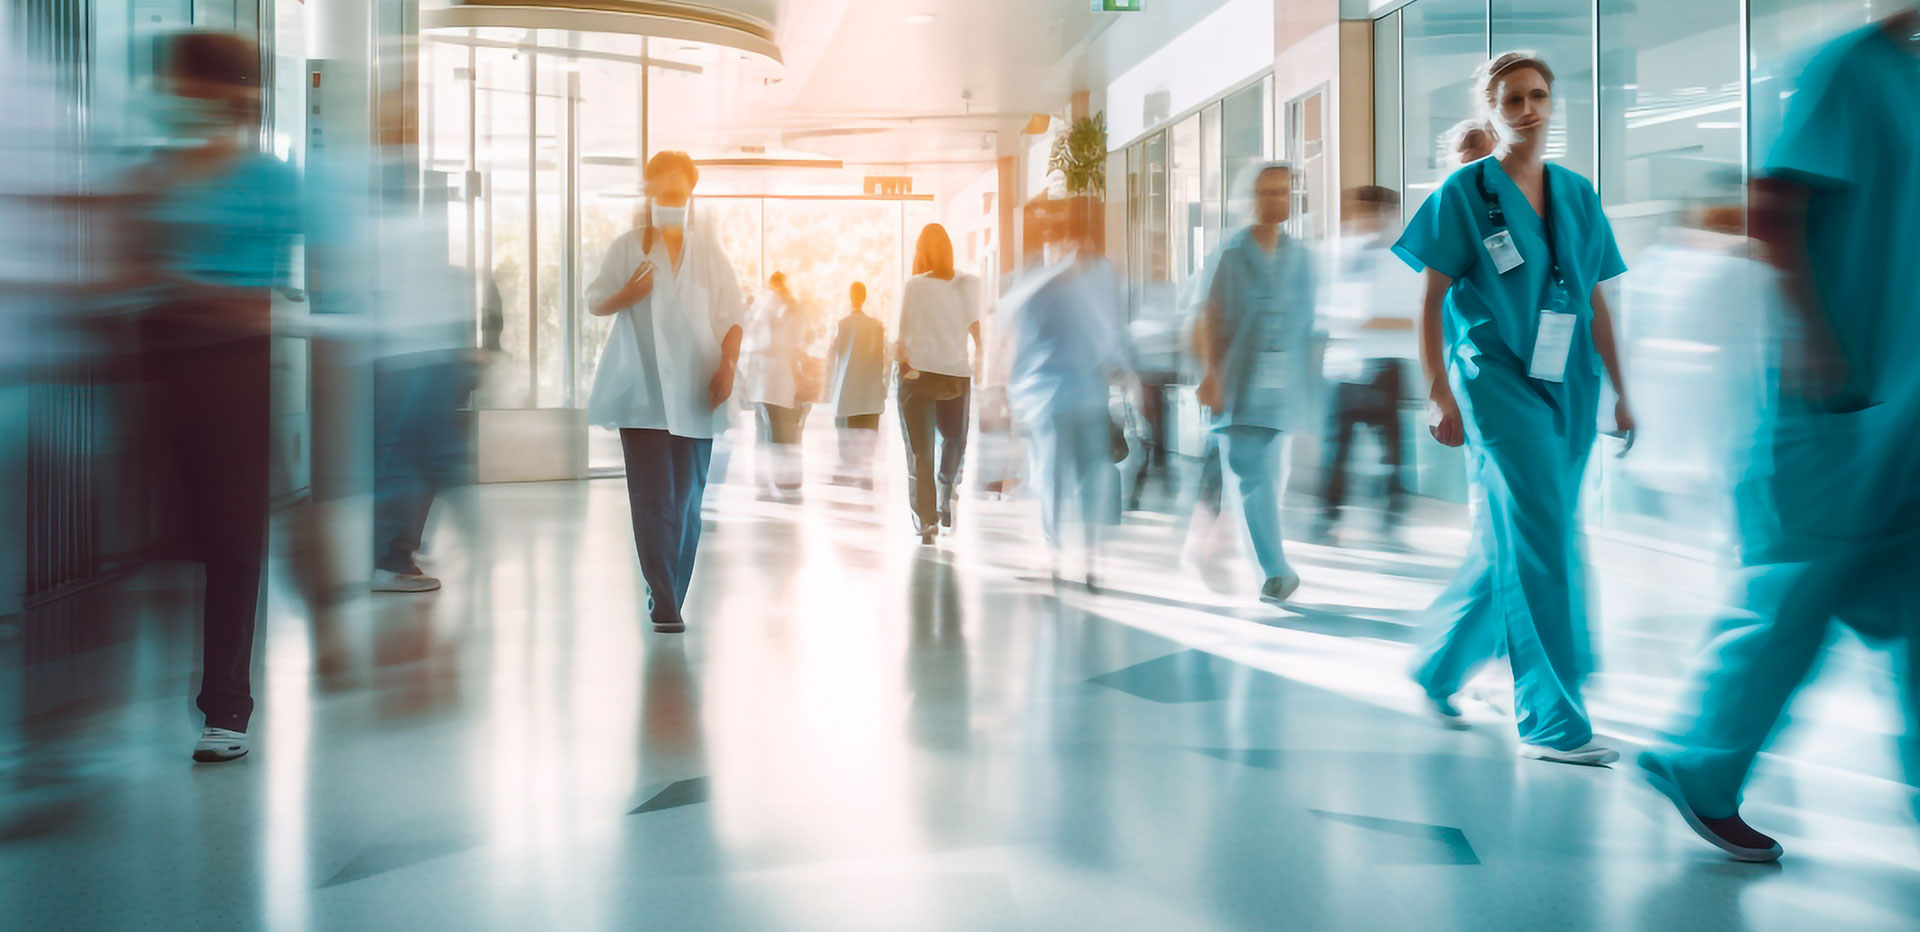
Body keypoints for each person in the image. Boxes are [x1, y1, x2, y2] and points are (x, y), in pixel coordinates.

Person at [1640, 10, 1920, 862]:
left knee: (1903, 605)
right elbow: (1774, 211)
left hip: (1897, 405)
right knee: (1790, 597)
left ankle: (1704, 764)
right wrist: (1819, 356)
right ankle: (1700, 762)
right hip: (1839, 400)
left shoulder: (1907, 78)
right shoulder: (1845, 66)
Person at [1395, 51, 1635, 766]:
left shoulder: (1579, 194)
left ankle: (1439, 665)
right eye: (1512, 99)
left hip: (1572, 383)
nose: (1528, 109)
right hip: (1495, 382)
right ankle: (1551, 719)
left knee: (1520, 535)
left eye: (1537, 96)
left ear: (1552, 103)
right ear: (1491, 108)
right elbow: (1431, 300)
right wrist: (1439, 392)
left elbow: (1596, 300)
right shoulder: (1464, 192)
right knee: (1542, 539)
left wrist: (1621, 387)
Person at [135, 31, 302, 762]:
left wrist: (192, 288)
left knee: (233, 543)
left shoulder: (267, 178)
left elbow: (263, 299)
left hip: (235, 368)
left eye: (192, 85)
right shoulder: (154, 175)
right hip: (161, 361)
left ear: (230, 94)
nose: (181, 100)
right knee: (170, 535)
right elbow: (129, 261)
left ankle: (226, 707)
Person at [586, 151, 746, 634]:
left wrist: (728, 366)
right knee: (653, 496)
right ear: (650, 193)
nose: (671, 201)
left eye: (679, 194)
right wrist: (625, 298)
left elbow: (732, 314)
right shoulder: (628, 247)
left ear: (690, 196)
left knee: (689, 500)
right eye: (663, 193)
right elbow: (595, 301)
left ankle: (670, 586)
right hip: (643, 389)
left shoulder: (708, 251)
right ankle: (664, 598)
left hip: (700, 389)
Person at [1193, 162, 1317, 606]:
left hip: (1280, 391)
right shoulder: (1232, 254)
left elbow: (1307, 327)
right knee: (1254, 478)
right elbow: (1208, 319)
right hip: (1237, 385)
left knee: (1262, 479)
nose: (1275, 200)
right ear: (1253, 198)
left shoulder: (1301, 256)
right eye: (1266, 192)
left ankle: (1213, 548)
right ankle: (1275, 570)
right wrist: (1210, 374)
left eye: (1283, 191)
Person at [1004, 197, 1131, 587]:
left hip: (1050, 399)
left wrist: (1009, 394)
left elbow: (1021, 344)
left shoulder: (1039, 282)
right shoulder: (1102, 274)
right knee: (1092, 477)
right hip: (1089, 396)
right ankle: (1091, 559)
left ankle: (1056, 556)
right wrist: (1124, 372)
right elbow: (1114, 332)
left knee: (1052, 480)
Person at [1316, 186, 1420, 540]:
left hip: (1387, 365)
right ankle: (1328, 514)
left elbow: (1414, 316)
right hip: (1345, 366)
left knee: (1390, 448)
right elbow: (1322, 309)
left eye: (1372, 211)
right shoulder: (1340, 254)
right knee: (1336, 447)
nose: (1366, 219)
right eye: (1361, 211)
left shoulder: (1405, 258)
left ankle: (1392, 513)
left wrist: (1361, 321)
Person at [895, 223, 983, 544]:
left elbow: (903, 335)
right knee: (955, 440)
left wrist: (901, 362)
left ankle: (927, 521)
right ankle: (947, 488)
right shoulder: (967, 284)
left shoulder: (914, 287)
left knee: (920, 451)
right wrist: (982, 362)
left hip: (916, 375)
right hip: (955, 374)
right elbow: (977, 331)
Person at [745, 271, 808, 502]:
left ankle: (765, 479)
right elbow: (791, 341)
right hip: (777, 381)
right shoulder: (783, 307)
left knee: (765, 431)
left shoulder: (766, 307)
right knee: (777, 432)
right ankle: (776, 478)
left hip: (766, 382)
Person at [828, 280, 887, 488]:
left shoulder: (842, 325)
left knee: (848, 440)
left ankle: (850, 473)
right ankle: (865, 476)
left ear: (850, 297)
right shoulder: (876, 326)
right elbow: (881, 359)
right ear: (865, 297)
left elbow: (835, 355)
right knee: (868, 439)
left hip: (847, 392)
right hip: (870, 393)